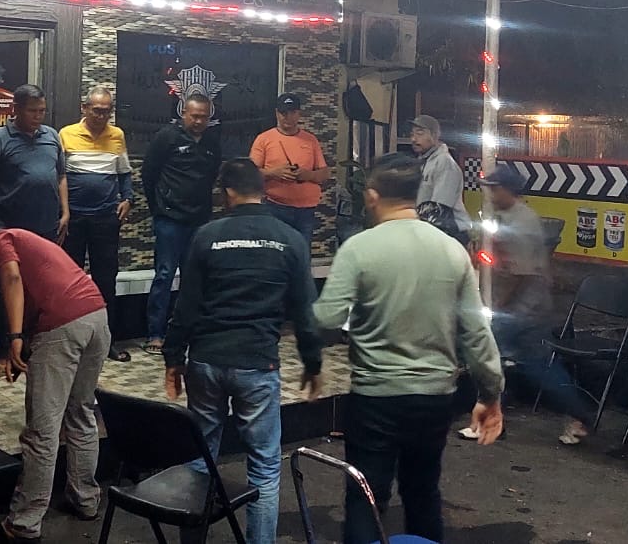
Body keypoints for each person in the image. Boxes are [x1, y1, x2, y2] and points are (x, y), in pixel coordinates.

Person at [312, 153, 504, 544]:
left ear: (371, 196)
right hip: (434, 399)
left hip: (374, 397)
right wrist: (490, 394)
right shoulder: (451, 250)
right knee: (423, 493)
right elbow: (475, 333)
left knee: (366, 498)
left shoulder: (358, 249)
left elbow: (327, 318)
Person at [164, 159, 323, 544]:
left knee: (200, 459)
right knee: (264, 467)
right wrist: (313, 362)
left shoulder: (206, 236)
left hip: (206, 361)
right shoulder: (290, 239)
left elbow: (186, 305)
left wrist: (174, 358)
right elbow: (304, 310)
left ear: (228, 192)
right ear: (262, 191)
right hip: (257, 363)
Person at [0, 214, 110, 543]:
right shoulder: (30, 241)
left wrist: (14, 337)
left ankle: (23, 523)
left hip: (64, 325)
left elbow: (12, 278)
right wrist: (29, 346)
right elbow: (37, 296)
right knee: (81, 413)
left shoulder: (0, 239)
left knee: (42, 431)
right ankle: (86, 500)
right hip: (96, 316)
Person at [470, 164, 595, 445]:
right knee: (532, 365)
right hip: (522, 307)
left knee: (493, 359)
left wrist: (500, 304)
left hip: (522, 308)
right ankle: (578, 413)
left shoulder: (522, 221)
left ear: (508, 190)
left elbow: (521, 272)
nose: (491, 194)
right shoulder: (504, 216)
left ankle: (489, 420)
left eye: (495, 189)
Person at [140, 91, 221, 356]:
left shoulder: (212, 141)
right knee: (164, 275)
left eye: (204, 117)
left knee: (194, 278)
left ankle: (188, 331)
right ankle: (155, 333)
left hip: (199, 220)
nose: (198, 121)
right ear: (183, 113)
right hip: (170, 219)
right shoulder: (167, 137)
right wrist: (158, 209)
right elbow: (148, 174)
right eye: (194, 116)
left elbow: (212, 175)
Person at [58, 85, 134, 362]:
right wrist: (62, 211)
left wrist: (128, 198)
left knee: (105, 280)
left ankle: (106, 342)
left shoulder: (117, 135)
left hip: (105, 218)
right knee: (70, 280)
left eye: (107, 111)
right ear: (85, 108)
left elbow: (124, 172)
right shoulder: (66, 134)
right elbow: (58, 175)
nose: (102, 116)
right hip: (74, 218)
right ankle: (69, 341)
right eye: (97, 110)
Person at [0, 84, 68, 242]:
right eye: (32, 111)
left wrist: (66, 213)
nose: (38, 116)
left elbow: (61, 177)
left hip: (49, 226)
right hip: (11, 228)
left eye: (42, 111)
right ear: (16, 109)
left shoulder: (52, 136)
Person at [248, 92, 330, 246]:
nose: (288, 117)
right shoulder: (264, 139)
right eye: (283, 113)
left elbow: (325, 173)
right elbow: (250, 173)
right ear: (276, 113)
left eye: (292, 112)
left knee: (301, 252)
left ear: (299, 114)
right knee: (275, 251)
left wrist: (307, 175)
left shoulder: (310, 140)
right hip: (275, 207)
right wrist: (274, 172)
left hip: (306, 210)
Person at [408, 115, 471, 243]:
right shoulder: (423, 162)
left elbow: (440, 210)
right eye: (412, 134)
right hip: (432, 232)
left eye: (419, 133)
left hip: (451, 234)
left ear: (435, 135)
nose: (413, 139)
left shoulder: (445, 163)